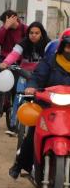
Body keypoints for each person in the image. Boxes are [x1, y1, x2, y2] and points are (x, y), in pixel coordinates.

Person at [9, 28, 70, 179]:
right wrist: (32, 87)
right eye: (68, 46)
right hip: (48, 105)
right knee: (33, 133)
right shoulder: (50, 61)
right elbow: (38, 76)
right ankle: (20, 164)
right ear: (62, 46)